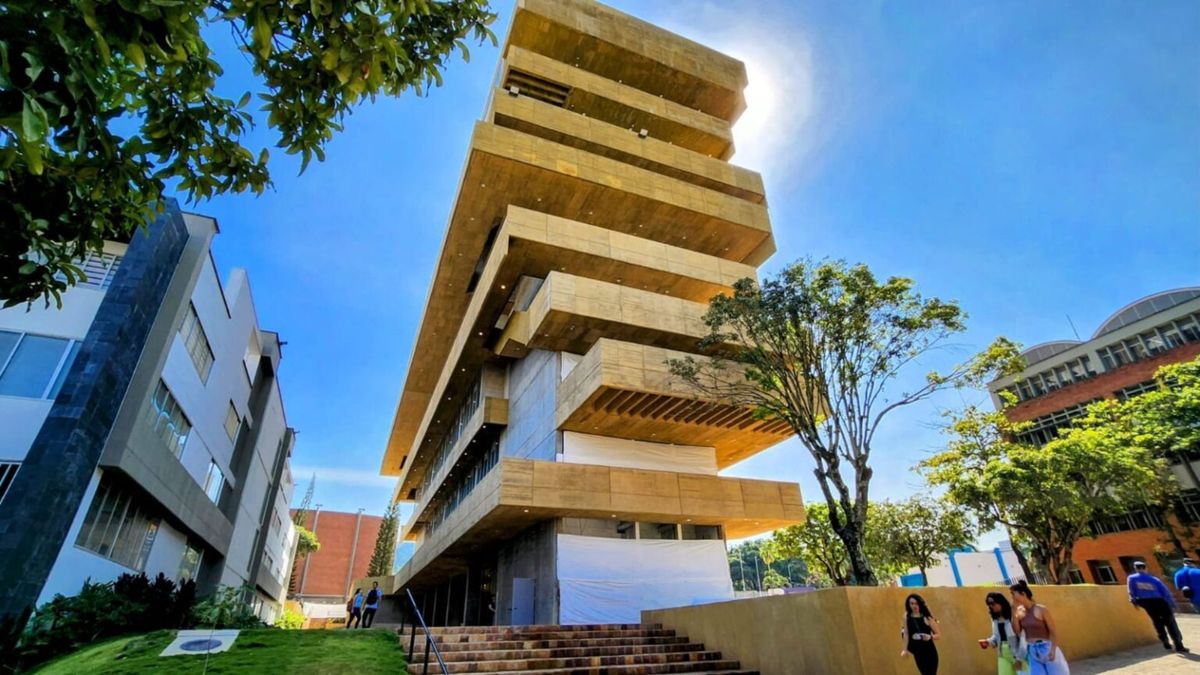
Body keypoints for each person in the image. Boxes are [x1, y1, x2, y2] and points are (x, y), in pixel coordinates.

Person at [1128, 560, 1188, 653]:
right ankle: (1178, 645)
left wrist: (1135, 602)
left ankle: (1165, 642)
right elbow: (1165, 592)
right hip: (1160, 601)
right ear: (1145, 568)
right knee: (1170, 623)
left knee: (1157, 622)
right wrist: (1172, 604)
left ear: (1136, 569)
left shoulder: (1131, 578)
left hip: (1146, 602)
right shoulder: (1153, 579)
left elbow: (1131, 592)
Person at [1010, 580, 1068, 675]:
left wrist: (1053, 649)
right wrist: (1014, 611)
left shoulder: (1041, 609)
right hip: (1031, 649)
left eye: (1013, 594)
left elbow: (1053, 631)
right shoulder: (1019, 612)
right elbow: (1016, 631)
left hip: (1047, 647)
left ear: (1023, 594)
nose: (1012, 597)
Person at [979, 592, 1026, 675]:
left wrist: (1019, 658)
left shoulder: (1014, 615)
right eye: (989, 604)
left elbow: (1022, 636)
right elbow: (996, 636)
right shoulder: (994, 619)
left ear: (1001, 602)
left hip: (1016, 652)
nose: (991, 606)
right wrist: (988, 642)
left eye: (993, 603)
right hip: (1003, 653)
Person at [899, 593, 940, 675]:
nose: (914, 606)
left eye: (916, 603)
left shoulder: (927, 617)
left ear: (920, 604)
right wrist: (905, 649)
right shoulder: (907, 616)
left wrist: (930, 637)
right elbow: (906, 634)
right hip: (918, 653)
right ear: (908, 604)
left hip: (930, 652)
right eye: (912, 603)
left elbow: (938, 635)